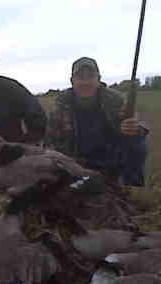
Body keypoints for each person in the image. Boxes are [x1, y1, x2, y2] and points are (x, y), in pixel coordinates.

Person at [46, 57, 149, 187]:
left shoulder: (114, 99)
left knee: (137, 140)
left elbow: (140, 126)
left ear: (99, 79)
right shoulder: (60, 106)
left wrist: (134, 128)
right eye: (80, 77)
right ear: (72, 81)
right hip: (75, 164)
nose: (85, 82)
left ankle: (132, 186)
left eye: (90, 76)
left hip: (110, 160)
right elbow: (50, 143)